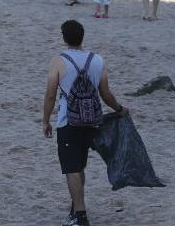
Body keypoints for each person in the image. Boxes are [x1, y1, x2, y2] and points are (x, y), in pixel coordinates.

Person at [43, 20, 130, 226]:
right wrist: (119, 109)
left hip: (68, 121)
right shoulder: (97, 60)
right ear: (82, 37)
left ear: (64, 38)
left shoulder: (59, 61)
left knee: (71, 168)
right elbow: (106, 94)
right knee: (80, 165)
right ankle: (76, 207)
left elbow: (50, 95)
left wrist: (46, 121)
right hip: (92, 121)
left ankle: (80, 215)